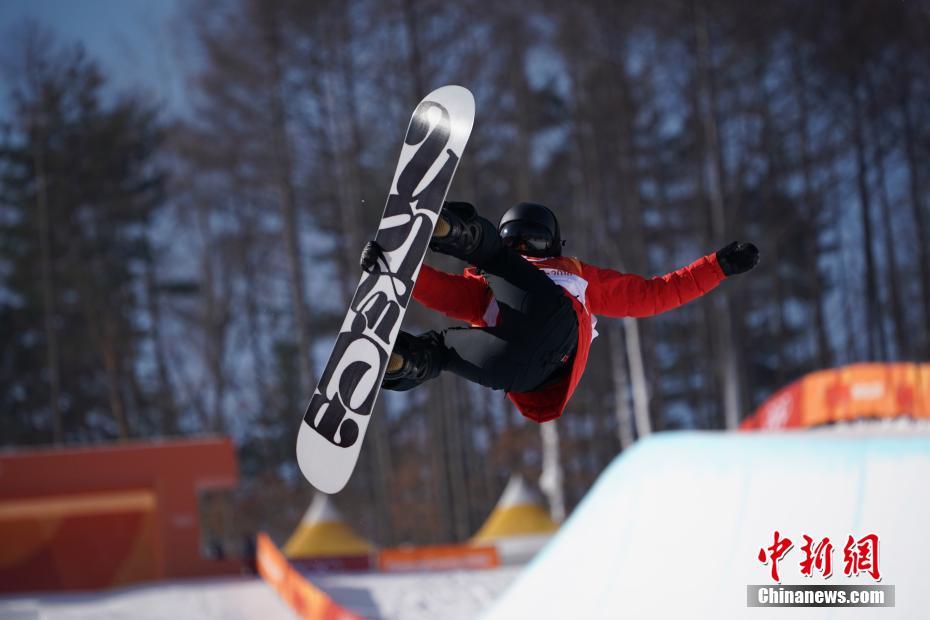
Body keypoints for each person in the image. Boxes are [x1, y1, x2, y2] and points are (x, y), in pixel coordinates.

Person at [360, 202, 758, 423]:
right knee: (443, 351)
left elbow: (445, 293)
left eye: (524, 241)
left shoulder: (506, 278)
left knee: (482, 281)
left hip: (530, 344)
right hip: (533, 369)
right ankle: (403, 360)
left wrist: (397, 269)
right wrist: (718, 267)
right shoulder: (577, 276)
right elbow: (654, 295)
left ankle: (455, 233)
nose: (523, 249)